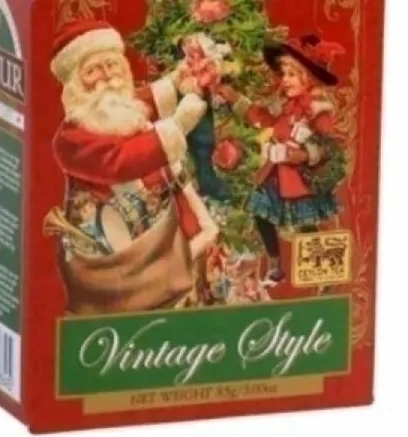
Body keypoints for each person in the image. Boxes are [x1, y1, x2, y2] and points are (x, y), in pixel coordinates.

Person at [47, 19, 218, 314]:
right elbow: (121, 162)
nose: (107, 76)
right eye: (92, 70)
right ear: (75, 85)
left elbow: (138, 103)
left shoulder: (117, 109)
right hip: (120, 255)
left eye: (112, 64)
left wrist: (177, 81)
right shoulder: (71, 137)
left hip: (162, 235)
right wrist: (178, 124)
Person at [218, 34, 345, 284]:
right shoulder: (285, 106)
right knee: (261, 213)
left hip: (301, 182)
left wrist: (303, 154)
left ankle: (320, 273)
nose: (284, 80)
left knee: (305, 224)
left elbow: (328, 147)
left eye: (292, 74)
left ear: (307, 78)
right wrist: (234, 98)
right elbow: (261, 117)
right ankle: (275, 266)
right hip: (275, 174)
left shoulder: (318, 110)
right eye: (283, 74)